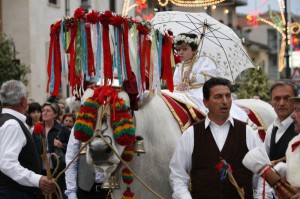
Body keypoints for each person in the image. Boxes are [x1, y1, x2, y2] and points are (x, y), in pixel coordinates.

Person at [169, 77, 263, 199]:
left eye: (228, 96)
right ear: (205, 102)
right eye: (218, 97)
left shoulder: (247, 132)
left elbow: (262, 176)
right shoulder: (191, 134)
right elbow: (178, 176)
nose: (225, 101)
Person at [163, 33, 248, 122]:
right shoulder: (180, 65)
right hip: (183, 93)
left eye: (185, 49)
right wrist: (179, 87)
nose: (180, 52)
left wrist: (192, 76)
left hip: (201, 93)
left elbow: (211, 79)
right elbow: (175, 83)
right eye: (179, 49)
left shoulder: (204, 61)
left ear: (194, 50)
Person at [0, 80, 56, 198]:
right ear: (22, 101)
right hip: (15, 193)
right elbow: (7, 163)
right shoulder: (12, 124)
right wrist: (37, 179)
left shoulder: (7, 121)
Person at [65, 88, 108, 199]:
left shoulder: (113, 126)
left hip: (111, 189)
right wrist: (71, 192)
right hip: (86, 189)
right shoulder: (79, 126)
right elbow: (71, 159)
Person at [33, 102, 71, 198]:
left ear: (55, 114)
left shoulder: (63, 130)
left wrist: (62, 145)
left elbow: (72, 150)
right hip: (41, 172)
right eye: (43, 111)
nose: (44, 113)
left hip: (58, 173)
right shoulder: (37, 130)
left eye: (48, 111)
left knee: (57, 195)